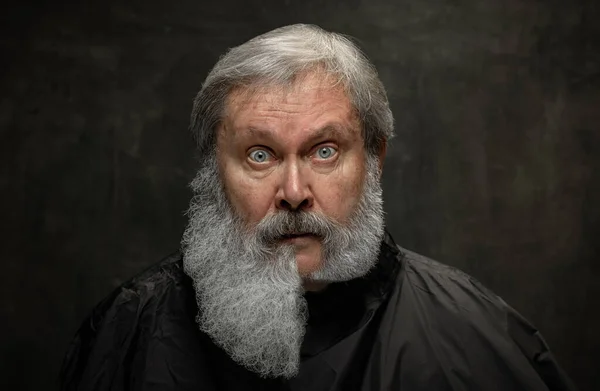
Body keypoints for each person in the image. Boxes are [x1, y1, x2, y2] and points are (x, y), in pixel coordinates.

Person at [60, 24, 578, 391]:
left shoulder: (473, 337)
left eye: (323, 151)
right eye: (259, 155)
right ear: (215, 171)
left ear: (373, 159)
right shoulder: (129, 330)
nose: (293, 190)